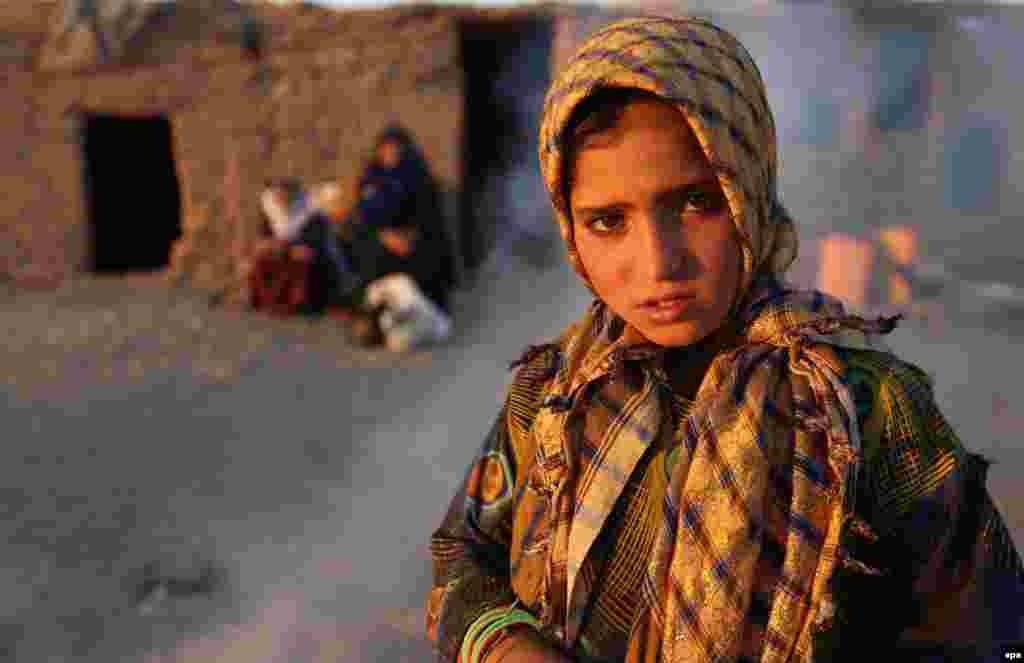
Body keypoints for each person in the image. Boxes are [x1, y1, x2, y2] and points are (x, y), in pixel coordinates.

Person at [426, 16, 1022, 663]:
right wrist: (510, 645)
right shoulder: (550, 394)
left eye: (696, 203)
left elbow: (991, 635)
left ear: (749, 182)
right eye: (607, 221)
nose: (658, 264)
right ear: (571, 229)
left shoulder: (867, 413)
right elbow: (464, 553)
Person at [341, 125, 457, 315]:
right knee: (369, 253)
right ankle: (371, 309)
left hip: (415, 237)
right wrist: (385, 235)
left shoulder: (420, 178)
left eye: (396, 149)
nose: (391, 153)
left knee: (426, 256)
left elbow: (430, 217)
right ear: (378, 151)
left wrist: (409, 236)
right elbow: (363, 215)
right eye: (386, 149)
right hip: (379, 237)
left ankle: (424, 306)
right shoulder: (371, 178)